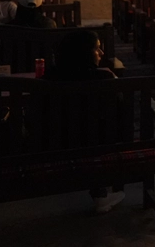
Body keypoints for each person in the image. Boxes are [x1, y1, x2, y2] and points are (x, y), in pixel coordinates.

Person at [43, 29, 125, 213]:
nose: (101, 53)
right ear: (84, 52)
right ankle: (101, 195)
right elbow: (120, 114)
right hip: (98, 144)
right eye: (97, 49)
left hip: (55, 146)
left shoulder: (48, 78)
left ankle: (100, 195)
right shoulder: (103, 78)